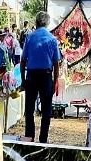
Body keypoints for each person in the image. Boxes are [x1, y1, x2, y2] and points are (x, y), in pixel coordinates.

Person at [20, 11, 61, 143]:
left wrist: (23, 79)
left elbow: (23, 60)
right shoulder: (52, 39)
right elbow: (56, 63)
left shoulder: (30, 37)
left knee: (29, 109)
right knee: (46, 109)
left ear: (36, 22)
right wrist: (55, 81)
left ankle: (29, 138)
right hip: (46, 76)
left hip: (31, 75)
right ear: (47, 23)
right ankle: (43, 139)